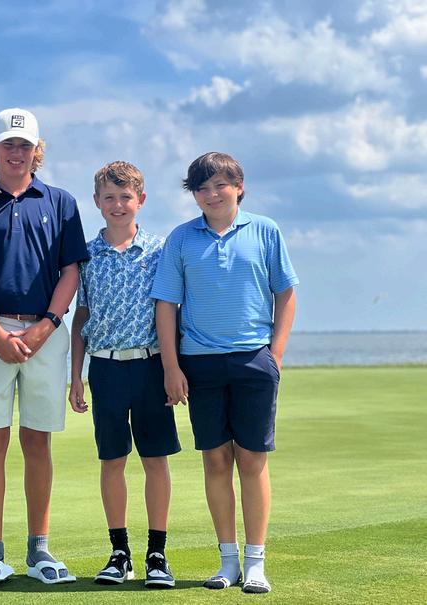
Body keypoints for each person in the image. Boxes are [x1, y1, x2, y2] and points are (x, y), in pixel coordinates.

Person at [151, 152, 298, 594]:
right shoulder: (181, 238)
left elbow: (285, 293)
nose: (211, 194)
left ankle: (256, 562)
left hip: (254, 359)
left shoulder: (266, 230)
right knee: (215, 460)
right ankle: (228, 561)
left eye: (220, 185)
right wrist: (171, 366)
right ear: (194, 195)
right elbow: (166, 304)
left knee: (251, 459)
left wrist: (275, 355)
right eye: (202, 188)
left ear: (238, 187)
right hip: (200, 363)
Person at [0, 108, 88, 588]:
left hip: (45, 333)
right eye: (7, 144)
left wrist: (46, 326)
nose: (16, 152)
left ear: (37, 150)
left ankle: (39, 550)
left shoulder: (61, 202)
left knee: (37, 440)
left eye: (24, 144)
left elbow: (71, 271)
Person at [69, 161, 181, 588]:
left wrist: (172, 369)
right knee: (112, 459)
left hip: (151, 366)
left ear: (141, 200)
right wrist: (76, 376)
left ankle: (157, 554)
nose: (118, 205)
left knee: (155, 459)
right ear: (97, 202)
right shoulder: (85, 255)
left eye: (126, 197)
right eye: (109, 198)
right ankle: (119, 553)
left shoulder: (159, 251)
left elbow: (169, 313)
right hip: (105, 368)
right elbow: (81, 316)